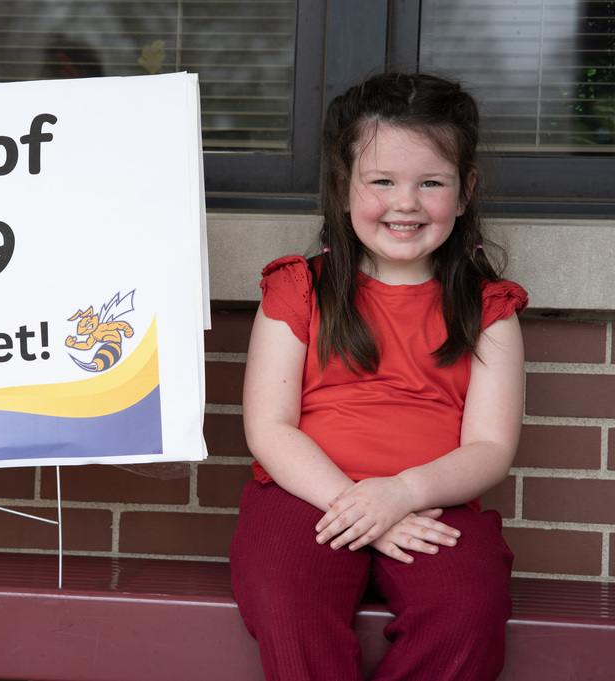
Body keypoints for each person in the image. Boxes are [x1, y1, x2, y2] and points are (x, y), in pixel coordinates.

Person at [229, 72, 527, 681]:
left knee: (468, 612)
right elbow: (269, 428)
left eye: (431, 183)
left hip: (432, 501)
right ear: (344, 187)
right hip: (303, 494)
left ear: (464, 191)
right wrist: (358, 504)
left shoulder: (486, 308)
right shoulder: (297, 289)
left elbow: (491, 448)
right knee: (289, 606)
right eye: (382, 181)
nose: (406, 202)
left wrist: (401, 495)